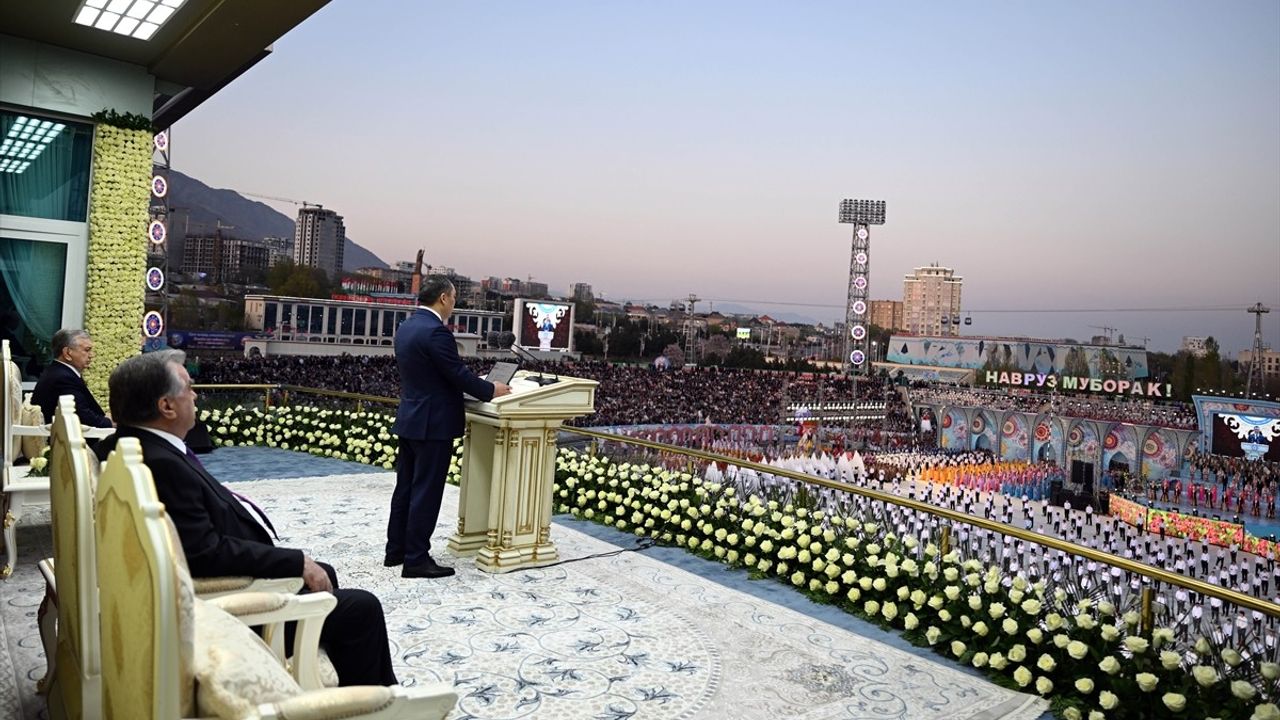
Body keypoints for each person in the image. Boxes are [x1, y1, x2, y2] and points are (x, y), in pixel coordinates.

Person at [95, 350, 397, 687]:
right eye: (189, 389)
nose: (196, 396)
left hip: (205, 586)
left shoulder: (129, 446)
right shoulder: (161, 463)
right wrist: (295, 561)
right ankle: (372, 702)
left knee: (325, 573)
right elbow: (204, 553)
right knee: (361, 608)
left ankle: (331, 684)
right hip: (224, 605)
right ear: (166, 406)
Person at [386, 275, 511, 579]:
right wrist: (490, 389)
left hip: (411, 418)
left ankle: (397, 550)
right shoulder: (436, 332)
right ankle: (416, 559)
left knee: (405, 488)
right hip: (433, 424)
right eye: (454, 298)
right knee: (426, 492)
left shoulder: (406, 328)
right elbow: (455, 373)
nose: (455, 304)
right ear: (443, 298)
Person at [31, 328, 113, 428]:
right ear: (67, 353)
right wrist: (110, 422)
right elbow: (81, 417)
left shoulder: (60, 372)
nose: (91, 355)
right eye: (87, 350)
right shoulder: (63, 378)